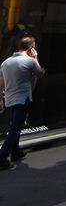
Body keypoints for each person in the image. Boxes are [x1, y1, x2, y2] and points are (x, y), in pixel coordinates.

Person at [0, 36, 45, 170]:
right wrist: (35, 58)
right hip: (23, 99)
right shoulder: (29, 61)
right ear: (32, 48)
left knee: (15, 125)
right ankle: (2, 158)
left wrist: (0, 98)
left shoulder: (6, 62)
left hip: (10, 99)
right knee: (15, 129)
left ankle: (16, 152)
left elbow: (0, 83)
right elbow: (40, 73)